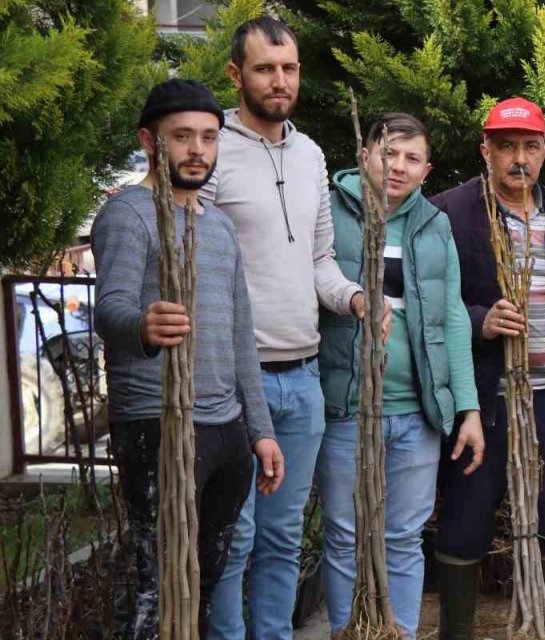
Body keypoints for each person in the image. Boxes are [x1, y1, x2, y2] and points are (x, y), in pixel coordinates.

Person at [202, 18, 382, 640]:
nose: (280, 82)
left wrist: (356, 298)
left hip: (303, 380)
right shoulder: (213, 148)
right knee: (235, 534)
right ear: (236, 75)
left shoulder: (310, 155)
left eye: (289, 68)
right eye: (264, 69)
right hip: (231, 384)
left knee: (281, 538)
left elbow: (319, 262)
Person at [91, 79, 284, 638]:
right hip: (158, 423)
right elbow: (111, 309)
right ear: (150, 141)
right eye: (182, 137)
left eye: (208, 136)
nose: (197, 149)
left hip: (227, 430)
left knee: (203, 579)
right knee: (159, 584)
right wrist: (144, 326)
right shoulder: (128, 215)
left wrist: (261, 432)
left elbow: (241, 335)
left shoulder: (220, 225)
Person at [429, 97, 545, 640]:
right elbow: (429, 300)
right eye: (506, 146)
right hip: (481, 395)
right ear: (485, 150)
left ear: (544, 151)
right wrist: (481, 320)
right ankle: (457, 631)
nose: (518, 159)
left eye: (530, 147)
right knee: (466, 516)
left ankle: (539, 624)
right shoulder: (449, 213)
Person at [315, 112, 484, 635]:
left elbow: (452, 315)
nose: (398, 167)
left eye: (412, 158)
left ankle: (399, 632)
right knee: (344, 534)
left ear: (427, 169)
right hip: (346, 406)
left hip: (416, 412)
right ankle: (351, 630)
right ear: (365, 154)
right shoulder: (330, 210)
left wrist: (468, 407)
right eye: (389, 153)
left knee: (404, 537)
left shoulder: (434, 225)